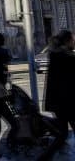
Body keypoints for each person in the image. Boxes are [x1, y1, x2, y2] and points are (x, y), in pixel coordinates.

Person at [39, 30, 75, 161]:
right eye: (73, 40)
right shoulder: (67, 57)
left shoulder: (55, 55)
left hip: (58, 103)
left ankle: (44, 158)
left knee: (63, 134)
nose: (74, 42)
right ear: (67, 41)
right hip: (67, 102)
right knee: (63, 133)